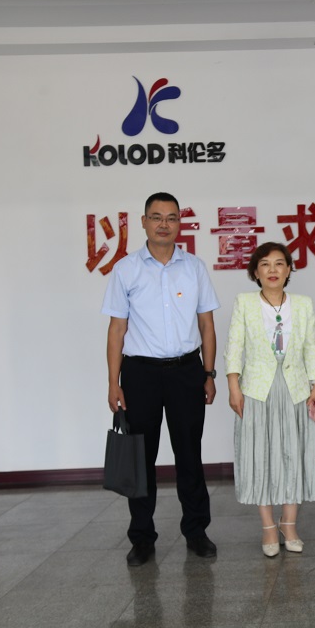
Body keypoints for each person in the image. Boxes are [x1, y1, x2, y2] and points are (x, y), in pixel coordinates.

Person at [102, 192, 220, 566]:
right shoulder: (126, 269)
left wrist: (208, 373)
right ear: (144, 222)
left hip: (187, 371)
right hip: (140, 374)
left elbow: (207, 325)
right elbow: (116, 330)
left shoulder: (194, 267)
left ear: (180, 223)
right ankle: (142, 538)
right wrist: (114, 382)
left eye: (171, 217)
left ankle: (196, 531)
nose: (164, 224)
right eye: (156, 217)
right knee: (141, 458)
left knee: (189, 455)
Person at [224, 242, 315, 558]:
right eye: (265, 264)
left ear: (289, 270)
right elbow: (234, 346)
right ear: (255, 272)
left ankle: (289, 524)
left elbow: (310, 347)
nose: (272, 270)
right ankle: (268, 526)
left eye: (279, 263)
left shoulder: (303, 304)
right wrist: (233, 386)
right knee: (260, 455)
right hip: (256, 389)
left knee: (294, 453)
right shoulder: (244, 302)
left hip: (295, 387)